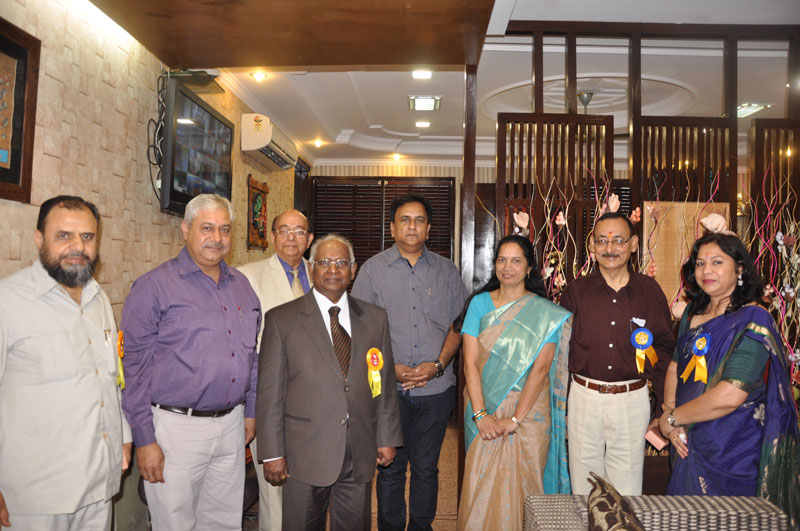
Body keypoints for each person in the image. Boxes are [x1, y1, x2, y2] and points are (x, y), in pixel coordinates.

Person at [121, 194, 261, 530]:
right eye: (207, 228)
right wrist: (144, 439)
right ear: (185, 230)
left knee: (225, 522)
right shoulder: (154, 286)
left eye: (224, 229)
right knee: (175, 523)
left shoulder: (242, 286)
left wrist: (251, 410)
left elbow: (251, 356)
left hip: (232, 425)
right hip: (175, 430)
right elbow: (133, 371)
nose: (217, 238)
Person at [0, 195, 131, 530]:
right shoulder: (7, 302)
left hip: (98, 487)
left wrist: (124, 437)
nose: (78, 247)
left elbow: (111, 379)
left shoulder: (99, 299)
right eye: (63, 236)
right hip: (35, 499)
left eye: (87, 236)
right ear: (39, 239)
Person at [256, 234, 403, 530]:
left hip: (358, 450)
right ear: (311, 268)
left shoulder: (375, 319)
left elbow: (382, 385)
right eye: (324, 262)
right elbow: (270, 394)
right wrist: (272, 452)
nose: (333, 270)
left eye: (341, 263)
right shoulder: (281, 320)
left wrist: (386, 436)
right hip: (303, 453)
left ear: (353, 269)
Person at [659, 231, 800, 527]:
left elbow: (730, 395)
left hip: (732, 448)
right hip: (686, 443)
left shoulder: (754, 319)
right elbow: (674, 366)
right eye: (700, 263)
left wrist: (672, 419)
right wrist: (669, 411)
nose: (706, 270)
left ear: (739, 269)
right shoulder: (692, 314)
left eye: (717, 262)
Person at [351, 194, 469, 530]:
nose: (412, 226)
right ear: (392, 228)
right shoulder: (372, 271)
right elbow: (359, 331)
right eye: (405, 220)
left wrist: (438, 364)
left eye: (419, 220)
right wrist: (388, 369)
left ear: (428, 229)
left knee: (426, 469)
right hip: (387, 391)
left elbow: (459, 325)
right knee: (390, 467)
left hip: (436, 389)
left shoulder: (446, 271)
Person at [456, 235, 571, 530]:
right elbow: (470, 363)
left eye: (516, 260)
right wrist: (481, 415)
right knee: (480, 485)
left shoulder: (544, 312)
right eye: (502, 260)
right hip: (483, 407)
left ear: (529, 267)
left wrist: (516, 419)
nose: (508, 267)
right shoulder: (479, 304)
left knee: (527, 488)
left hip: (529, 413)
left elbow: (540, 369)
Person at [560, 212, 674, 495]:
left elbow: (664, 350)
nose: (609, 248)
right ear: (592, 246)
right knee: (584, 486)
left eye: (618, 241)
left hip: (631, 399)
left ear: (633, 244)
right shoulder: (576, 292)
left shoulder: (650, 292)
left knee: (627, 488)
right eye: (601, 241)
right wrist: (559, 405)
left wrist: (662, 408)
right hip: (584, 396)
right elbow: (561, 352)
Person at [238, 209, 314, 530]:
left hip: (316, 402)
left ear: (309, 239)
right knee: (275, 490)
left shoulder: (323, 272)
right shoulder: (247, 276)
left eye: (299, 231)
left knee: (313, 486)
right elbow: (244, 345)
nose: (291, 238)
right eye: (284, 230)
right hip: (272, 400)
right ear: (272, 237)